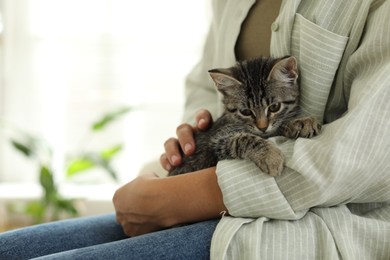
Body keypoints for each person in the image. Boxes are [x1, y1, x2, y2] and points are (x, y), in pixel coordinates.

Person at [1, 0, 390, 259]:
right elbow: (207, 83)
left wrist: (183, 197)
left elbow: (366, 156)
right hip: (210, 192)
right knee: (11, 249)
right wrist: (197, 129)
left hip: (319, 223)